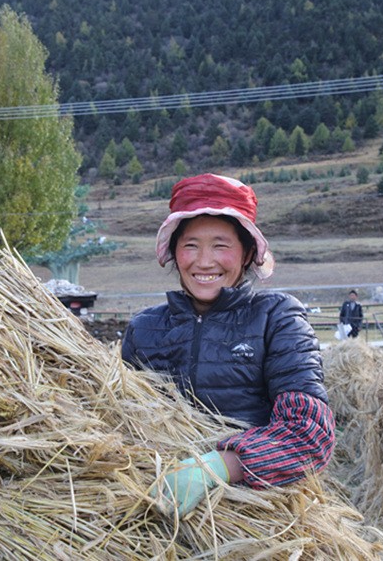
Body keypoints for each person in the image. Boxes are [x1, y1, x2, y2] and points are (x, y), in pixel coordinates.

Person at [121, 173, 335, 517]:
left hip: (257, 515)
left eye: (221, 245)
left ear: (248, 252)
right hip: (158, 506)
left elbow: (309, 435)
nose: (204, 261)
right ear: (175, 252)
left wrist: (219, 467)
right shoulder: (144, 329)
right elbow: (119, 422)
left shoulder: (276, 318)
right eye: (190, 244)